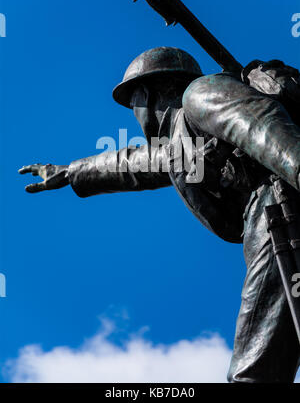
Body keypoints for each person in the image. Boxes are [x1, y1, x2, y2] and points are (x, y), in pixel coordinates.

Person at [19, 47, 300, 382]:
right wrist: (71, 172)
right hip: (276, 219)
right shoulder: (183, 143)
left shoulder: (202, 94)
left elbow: (266, 131)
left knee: (253, 370)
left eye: (133, 101)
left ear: (151, 93)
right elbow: (134, 164)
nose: (134, 115)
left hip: (283, 216)